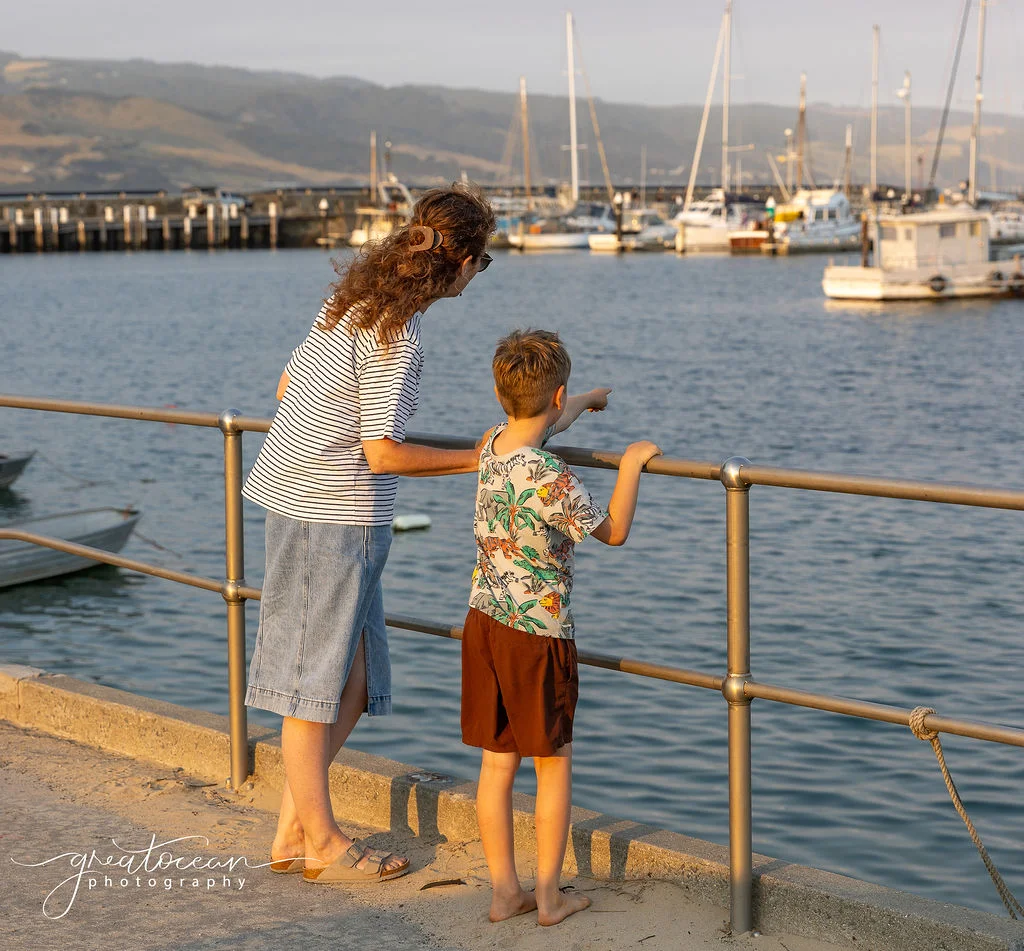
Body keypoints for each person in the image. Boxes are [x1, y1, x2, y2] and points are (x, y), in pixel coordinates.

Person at [242, 183, 496, 884]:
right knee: (313, 685)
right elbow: (382, 450)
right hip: (330, 515)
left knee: (353, 682)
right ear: (463, 261)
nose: (482, 270)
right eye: (486, 259)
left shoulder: (348, 304)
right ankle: (320, 838)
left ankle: (297, 826)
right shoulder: (399, 336)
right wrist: (481, 456)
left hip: (316, 505)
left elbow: (287, 386)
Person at [461, 329, 662, 925]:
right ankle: (550, 898)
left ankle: (505, 893)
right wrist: (631, 463)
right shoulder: (552, 477)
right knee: (553, 762)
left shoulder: (492, 444)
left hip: (485, 622)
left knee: (497, 765)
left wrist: (588, 400)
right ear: (557, 394)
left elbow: (545, 422)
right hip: (538, 635)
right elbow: (614, 530)